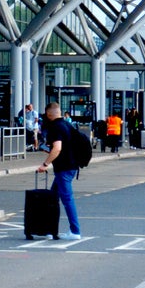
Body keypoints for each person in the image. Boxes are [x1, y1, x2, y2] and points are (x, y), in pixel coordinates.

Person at [38, 102, 83, 241]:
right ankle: (49, 229)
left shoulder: (55, 127)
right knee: (53, 197)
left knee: (67, 199)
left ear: (49, 114)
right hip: (71, 166)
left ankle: (75, 231)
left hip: (64, 168)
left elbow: (57, 148)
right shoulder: (67, 125)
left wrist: (45, 164)